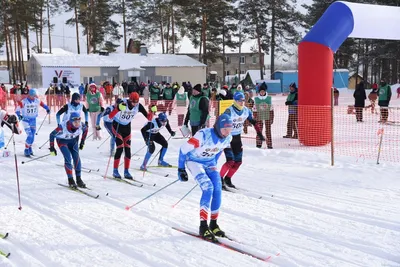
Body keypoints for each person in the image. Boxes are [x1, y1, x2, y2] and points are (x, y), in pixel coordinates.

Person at [177, 113, 233, 241]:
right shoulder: (203, 135)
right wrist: (181, 169)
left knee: (218, 188)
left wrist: (213, 163)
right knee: (208, 188)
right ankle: (203, 226)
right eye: (225, 130)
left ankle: (213, 224)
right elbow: (183, 150)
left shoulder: (227, 138)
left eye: (229, 130)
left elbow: (219, 151)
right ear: (218, 127)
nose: (227, 133)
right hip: (194, 161)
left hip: (209, 163)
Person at [220, 91, 265, 189]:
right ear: (235, 101)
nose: (242, 102)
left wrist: (259, 133)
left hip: (237, 138)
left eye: (243, 100)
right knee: (230, 161)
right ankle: (219, 179)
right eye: (240, 101)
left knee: (238, 162)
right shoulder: (229, 111)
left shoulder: (246, 111)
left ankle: (228, 178)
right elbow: (221, 122)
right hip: (227, 139)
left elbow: (253, 121)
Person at [108, 92, 150, 179]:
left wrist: (153, 111)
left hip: (127, 127)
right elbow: (110, 116)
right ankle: (115, 170)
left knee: (128, 149)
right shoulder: (122, 103)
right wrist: (118, 109)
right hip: (117, 126)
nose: (135, 104)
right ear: (129, 100)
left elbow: (149, 118)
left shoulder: (138, 106)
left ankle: (126, 171)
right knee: (120, 147)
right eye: (133, 102)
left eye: (136, 102)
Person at [49, 112, 88, 188]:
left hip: (73, 141)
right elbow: (52, 134)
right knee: (68, 158)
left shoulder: (81, 125)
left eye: (78, 121)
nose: (77, 124)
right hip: (62, 141)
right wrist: (52, 148)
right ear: (70, 121)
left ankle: (79, 179)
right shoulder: (62, 127)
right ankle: (70, 179)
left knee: (76, 158)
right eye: (75, 122)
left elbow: (86, 130)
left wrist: (82, 142)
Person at [16, 89, 50, 157]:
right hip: (26, 120)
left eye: (34, 95)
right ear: (29, 95)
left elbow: (43, 105)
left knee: (33, 136)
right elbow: (17, 110)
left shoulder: (37, 100)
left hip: (33, 120)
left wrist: (47, 109)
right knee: (30, 135)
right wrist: (19, 116)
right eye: (32, 95)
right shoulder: (23, 102)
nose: (33, 97)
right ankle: (26, 150)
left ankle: (29, 147)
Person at [254, 83, 274, 148]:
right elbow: (254, 109)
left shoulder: (269, 98)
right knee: (259, 130)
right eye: (261, 91)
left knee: (268, 130)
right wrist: (255, 117)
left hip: (267, 115)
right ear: (259, 92)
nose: (262, 93)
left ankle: (269, 144)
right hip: (259, 116)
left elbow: (271, 108)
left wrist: (271, 117)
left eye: (263, 91)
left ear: (265, 91)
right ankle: (259, 143)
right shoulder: (256, 99)